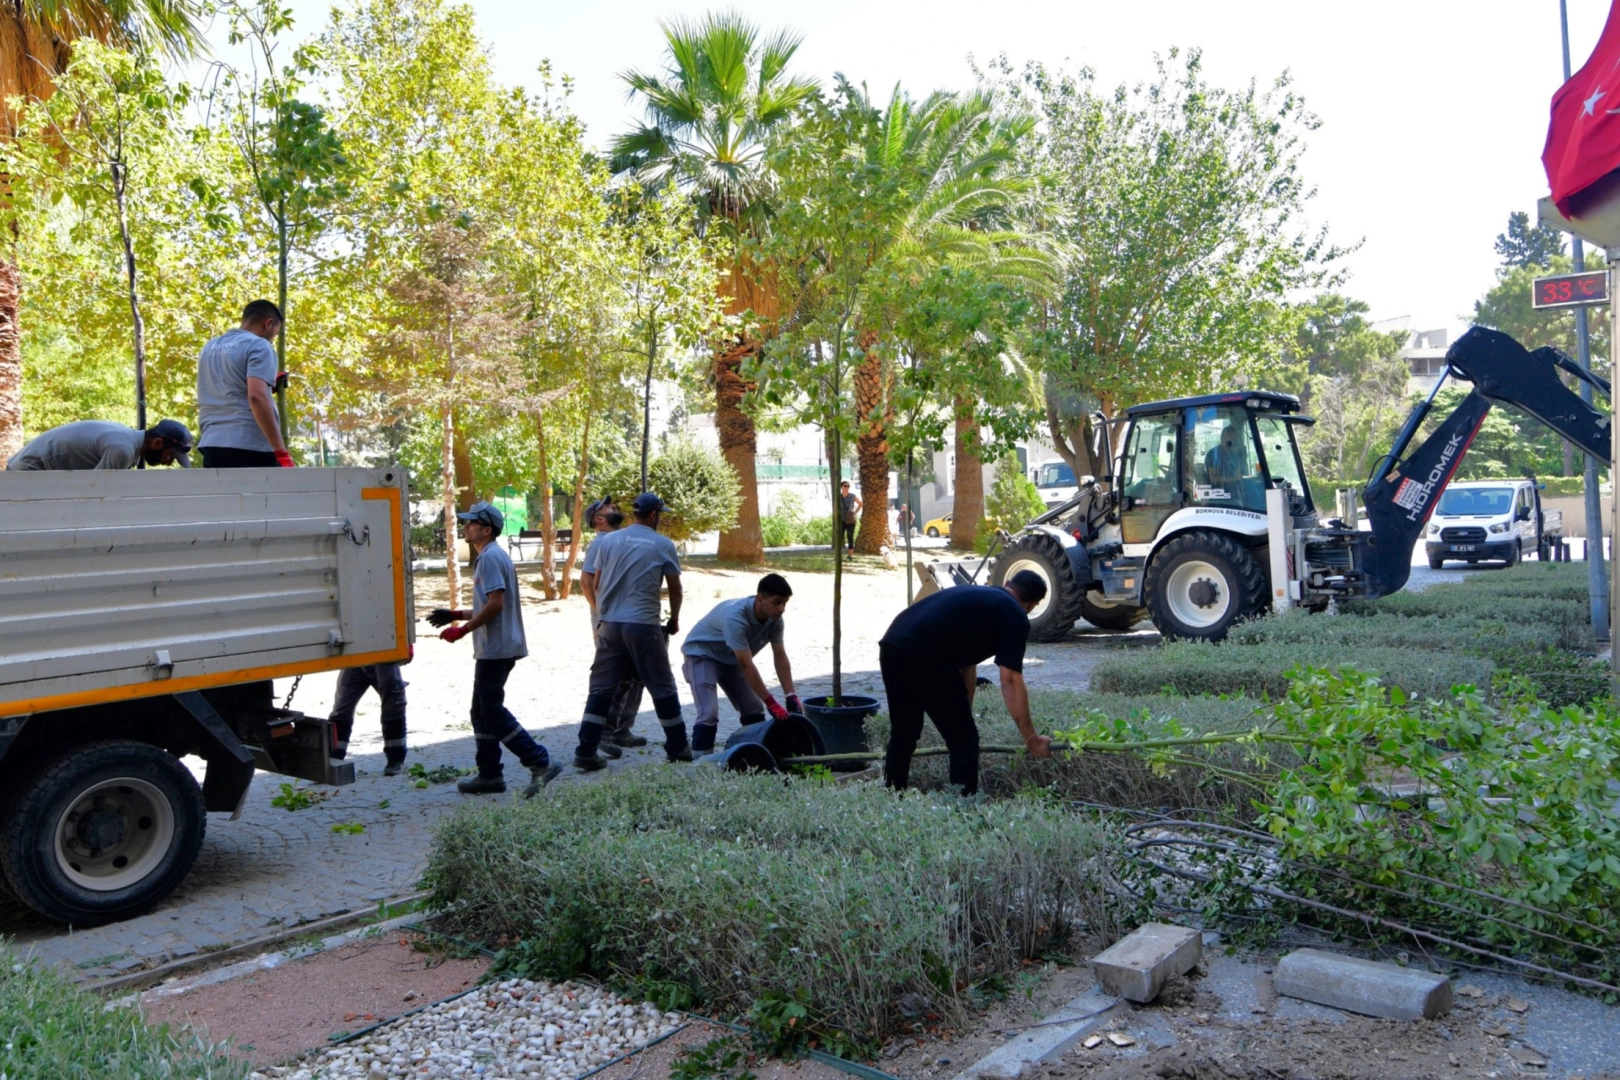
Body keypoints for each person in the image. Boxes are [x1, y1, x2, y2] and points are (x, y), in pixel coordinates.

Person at [877, 570, 1054, 795]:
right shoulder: (1014, 615)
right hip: (927, 655)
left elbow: (967, 664)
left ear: (1008, 583)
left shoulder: (980, 597)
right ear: (1032, 605)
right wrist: (1032, 739)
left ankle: (892, 795)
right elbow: (1010, 680)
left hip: (893, 644)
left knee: (904, 732)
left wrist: (963, 713)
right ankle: (963, 807)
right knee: (964, 743)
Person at [428, 501, 560, 797]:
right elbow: (488, 603)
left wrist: (462, 630)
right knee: (480, 711)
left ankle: (540, 761)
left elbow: (496, 605)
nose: (466, 527)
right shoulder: (492, 555)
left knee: (492, 711)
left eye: (471, 523)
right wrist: (454, 614)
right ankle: (490, 776)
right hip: (499, 645)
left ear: (486, 530)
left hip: (496, 647)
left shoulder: (489, 558)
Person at [574, 492, 687, 768]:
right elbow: (675, 587)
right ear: (653, 515)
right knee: (662, 685)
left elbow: (596, 582)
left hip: (610, 626)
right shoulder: (663, 544)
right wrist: (674, 618)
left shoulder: (609, 541)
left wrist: (603, 616)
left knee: (600, 689)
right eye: (661, 514)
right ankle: (679, 747)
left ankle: (585, 751)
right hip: (643, 626)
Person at [680, 573, 801, 753]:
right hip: (702, 656)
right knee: (709, 713)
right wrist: (771, 702)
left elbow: (780, 657)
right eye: (777, 602)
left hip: (730, 659)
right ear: (760, 598)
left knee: (753, 709)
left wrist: (791, 695)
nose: (782, 608)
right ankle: (701, 765)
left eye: (785, 603)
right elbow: (746, 665)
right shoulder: (735, 618)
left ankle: (754, 755)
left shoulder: (775, 620)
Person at [197, 300, 295, 468]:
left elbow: (228, 389)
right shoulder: (259, 346)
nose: (272, 339)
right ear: (268, 323)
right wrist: (281, 451)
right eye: (275, 333)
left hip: (212, 444)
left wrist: (267, 385)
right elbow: (256, 396)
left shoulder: (209, 347)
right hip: (249, 445)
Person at [585, 497, 647, 751]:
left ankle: (623, 729)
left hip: (629, 618)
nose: (614, 509)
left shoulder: (620, 541)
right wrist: (601, 613)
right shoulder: (599, 544)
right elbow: (586, 582)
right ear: (599, 519)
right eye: (607, 508)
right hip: (609, 622)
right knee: (614, 675)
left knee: (635, 674)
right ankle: (604, 733)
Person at [6, 419, 192, 471]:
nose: (169, 463)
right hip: (30, 469)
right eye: (171, 456)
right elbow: (95, 493)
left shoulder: (127, 441)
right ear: (157, 443)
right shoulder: (122, 450)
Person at [329, 662, 409, 776]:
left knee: (393, 705)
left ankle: (396, 759)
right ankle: (334, 758)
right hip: (354, 657)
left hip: (384, 656)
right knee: (341, 708)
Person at [839, 481, 861, 553]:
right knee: (839, 537)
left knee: (850, 537)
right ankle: (839, 555)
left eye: (848, 486)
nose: (847, 487)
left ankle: (850, 555)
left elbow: (860, 504)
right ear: (841, 487)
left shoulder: (852, 496)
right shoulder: (838, 496)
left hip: (850, 520)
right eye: (845, 486)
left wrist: (855, 512)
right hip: (841, 519)